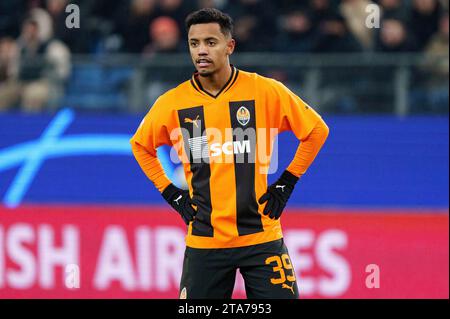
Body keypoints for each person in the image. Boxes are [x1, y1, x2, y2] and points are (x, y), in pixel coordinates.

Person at [130, 8, 329, 299]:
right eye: (194, 43)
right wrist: (171, 193)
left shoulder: (264, 91)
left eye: (211, 42)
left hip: (261, 238)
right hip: (205, 242)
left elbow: (316, 131)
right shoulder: (172, 104)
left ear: (229, 46)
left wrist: (287, 182)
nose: (201, 51)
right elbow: (140, 145)